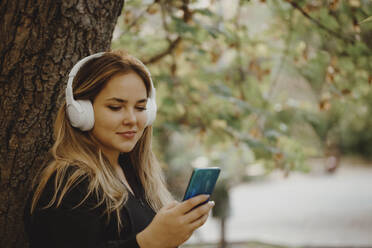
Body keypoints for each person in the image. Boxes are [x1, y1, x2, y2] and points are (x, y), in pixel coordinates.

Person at [23, 51, 215, 248]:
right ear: (81, 112)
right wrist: (149, 242)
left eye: (140, 108)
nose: (131, 119)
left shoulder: (135, 174)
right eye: (116, 107)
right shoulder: (69, 184)